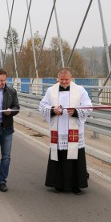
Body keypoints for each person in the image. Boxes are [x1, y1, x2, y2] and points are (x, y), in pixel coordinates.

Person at [39, 67, 92, 195]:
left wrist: (76, 112)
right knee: (59, 157)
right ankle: (58, 184)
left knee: (75, 157)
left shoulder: (80, 90)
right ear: (58, 78)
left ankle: (76, 185)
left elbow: (88, 106)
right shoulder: (51, 90)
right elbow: (42, 106)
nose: (63, 82)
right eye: (61, 79)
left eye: (66, 80)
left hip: (73, 130)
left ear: (71, 78)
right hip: (58, 129)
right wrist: (52, 110)